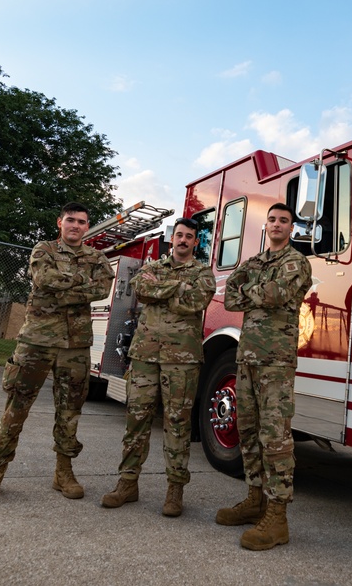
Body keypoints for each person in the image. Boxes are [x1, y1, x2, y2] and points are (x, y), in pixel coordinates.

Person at [0, 202, 114, 501]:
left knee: (70, 411)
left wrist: (63, 288)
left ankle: (63, 473)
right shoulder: (43, 249)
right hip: (36, 341)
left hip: (74, 345)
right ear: (59, 222)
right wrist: (80, 283)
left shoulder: (97, 257)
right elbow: (43, 279)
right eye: (70, 220)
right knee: (16, 407)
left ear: (88, 227)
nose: (75, 225)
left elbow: (102, 289)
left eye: (82, 221)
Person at [101, 217, 215, 516]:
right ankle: (127, 483)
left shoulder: (203, 272)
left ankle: (175, 491)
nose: (183, 240)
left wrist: (163, 289)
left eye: (189, 237)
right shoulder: (152, 267)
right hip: (145, 356)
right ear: (171, 239)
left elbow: (195, 302)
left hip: (183, 360)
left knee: (177, 423)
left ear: (196, 242)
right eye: (179, 235)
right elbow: (140, 291)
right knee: (136, 419)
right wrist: (176, 287)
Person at [216, 203, 312, 551]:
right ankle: (255, 498)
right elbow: (228, 297)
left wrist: (251, 292)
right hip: (247, 358)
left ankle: (277, 516)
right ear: (266, 225)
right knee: (249, 431)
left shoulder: (297, 262)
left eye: (283, 221)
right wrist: (256, 291)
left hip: (275, 361)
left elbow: (278, 294)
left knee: (275, 437)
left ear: (291, 228)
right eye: (271, 219)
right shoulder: (254, 263)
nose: (276, 225)